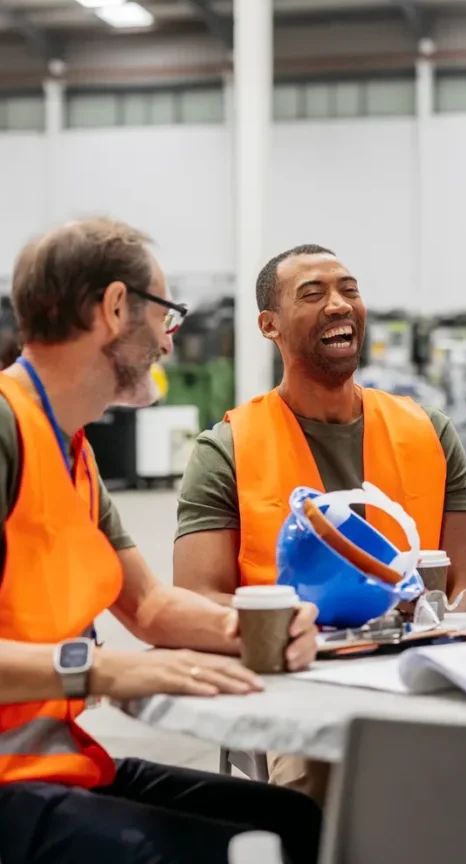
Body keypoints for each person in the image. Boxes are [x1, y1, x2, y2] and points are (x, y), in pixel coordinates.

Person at [0, 219, 322, 864]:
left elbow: (147, 605)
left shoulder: (72, 451)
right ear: (116, 308)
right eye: (166, 314)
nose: (169, 342)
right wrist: (106, 669)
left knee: (295, 822)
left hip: (52, 769)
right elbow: (125, 646)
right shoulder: (7, 430)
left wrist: (259, 627)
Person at [173, 243, 466, 803]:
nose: (339, 304)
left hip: (419, 668)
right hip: (299, 681)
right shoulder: (227, 449)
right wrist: (284, 631)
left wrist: (440, 649)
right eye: (312, 294)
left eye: (349, 289)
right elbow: (196, 598)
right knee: (328, 781)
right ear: (269, 325)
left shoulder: (429, 433)